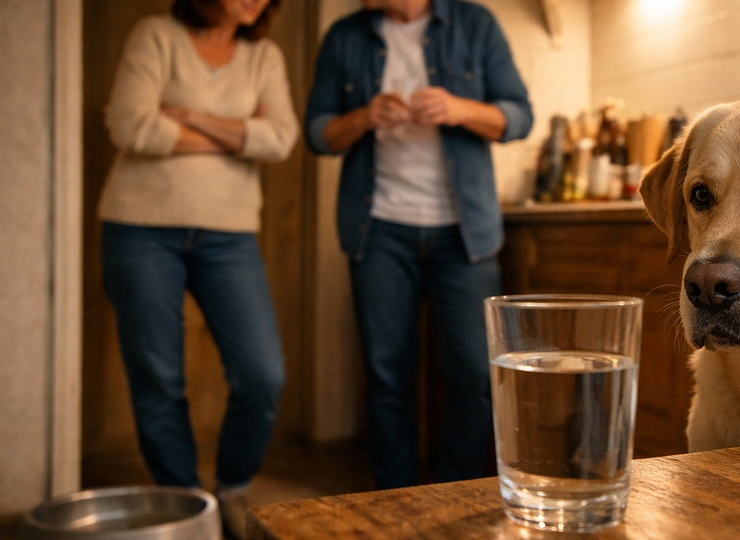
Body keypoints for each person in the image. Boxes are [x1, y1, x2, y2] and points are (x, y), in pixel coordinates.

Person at [304, 0, 532, 489]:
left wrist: (458, 108)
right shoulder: (345, 36)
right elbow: (317, 133)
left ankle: (458, 494)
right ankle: (395, 496)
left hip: (464, 234)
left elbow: (519, 117)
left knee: (474, 375)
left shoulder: (476, 24)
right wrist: (365, 116)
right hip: (378, 230)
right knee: (387, 377)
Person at [98, 0, 298, 536]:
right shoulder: (155, 36)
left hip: (229, 234)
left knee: (263, 374)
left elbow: (280, 138)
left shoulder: (265, 57)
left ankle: (231, 488)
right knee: (158, 378)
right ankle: (187, 504)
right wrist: (235, 133)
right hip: (139, 229)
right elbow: (129, 125)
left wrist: (188, 118)